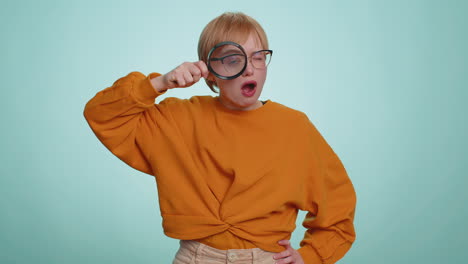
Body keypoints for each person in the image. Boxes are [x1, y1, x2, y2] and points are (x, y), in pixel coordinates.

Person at [83, 12, 356, 264]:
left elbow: (337, 204)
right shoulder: (177, 119)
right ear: (210, 70)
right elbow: (102, 114)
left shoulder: (294, 127)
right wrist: (159, 83)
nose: (249, 69)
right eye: (233, 59)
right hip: (196, 256)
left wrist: (311, 255)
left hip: (267, 258)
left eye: (258, 57)